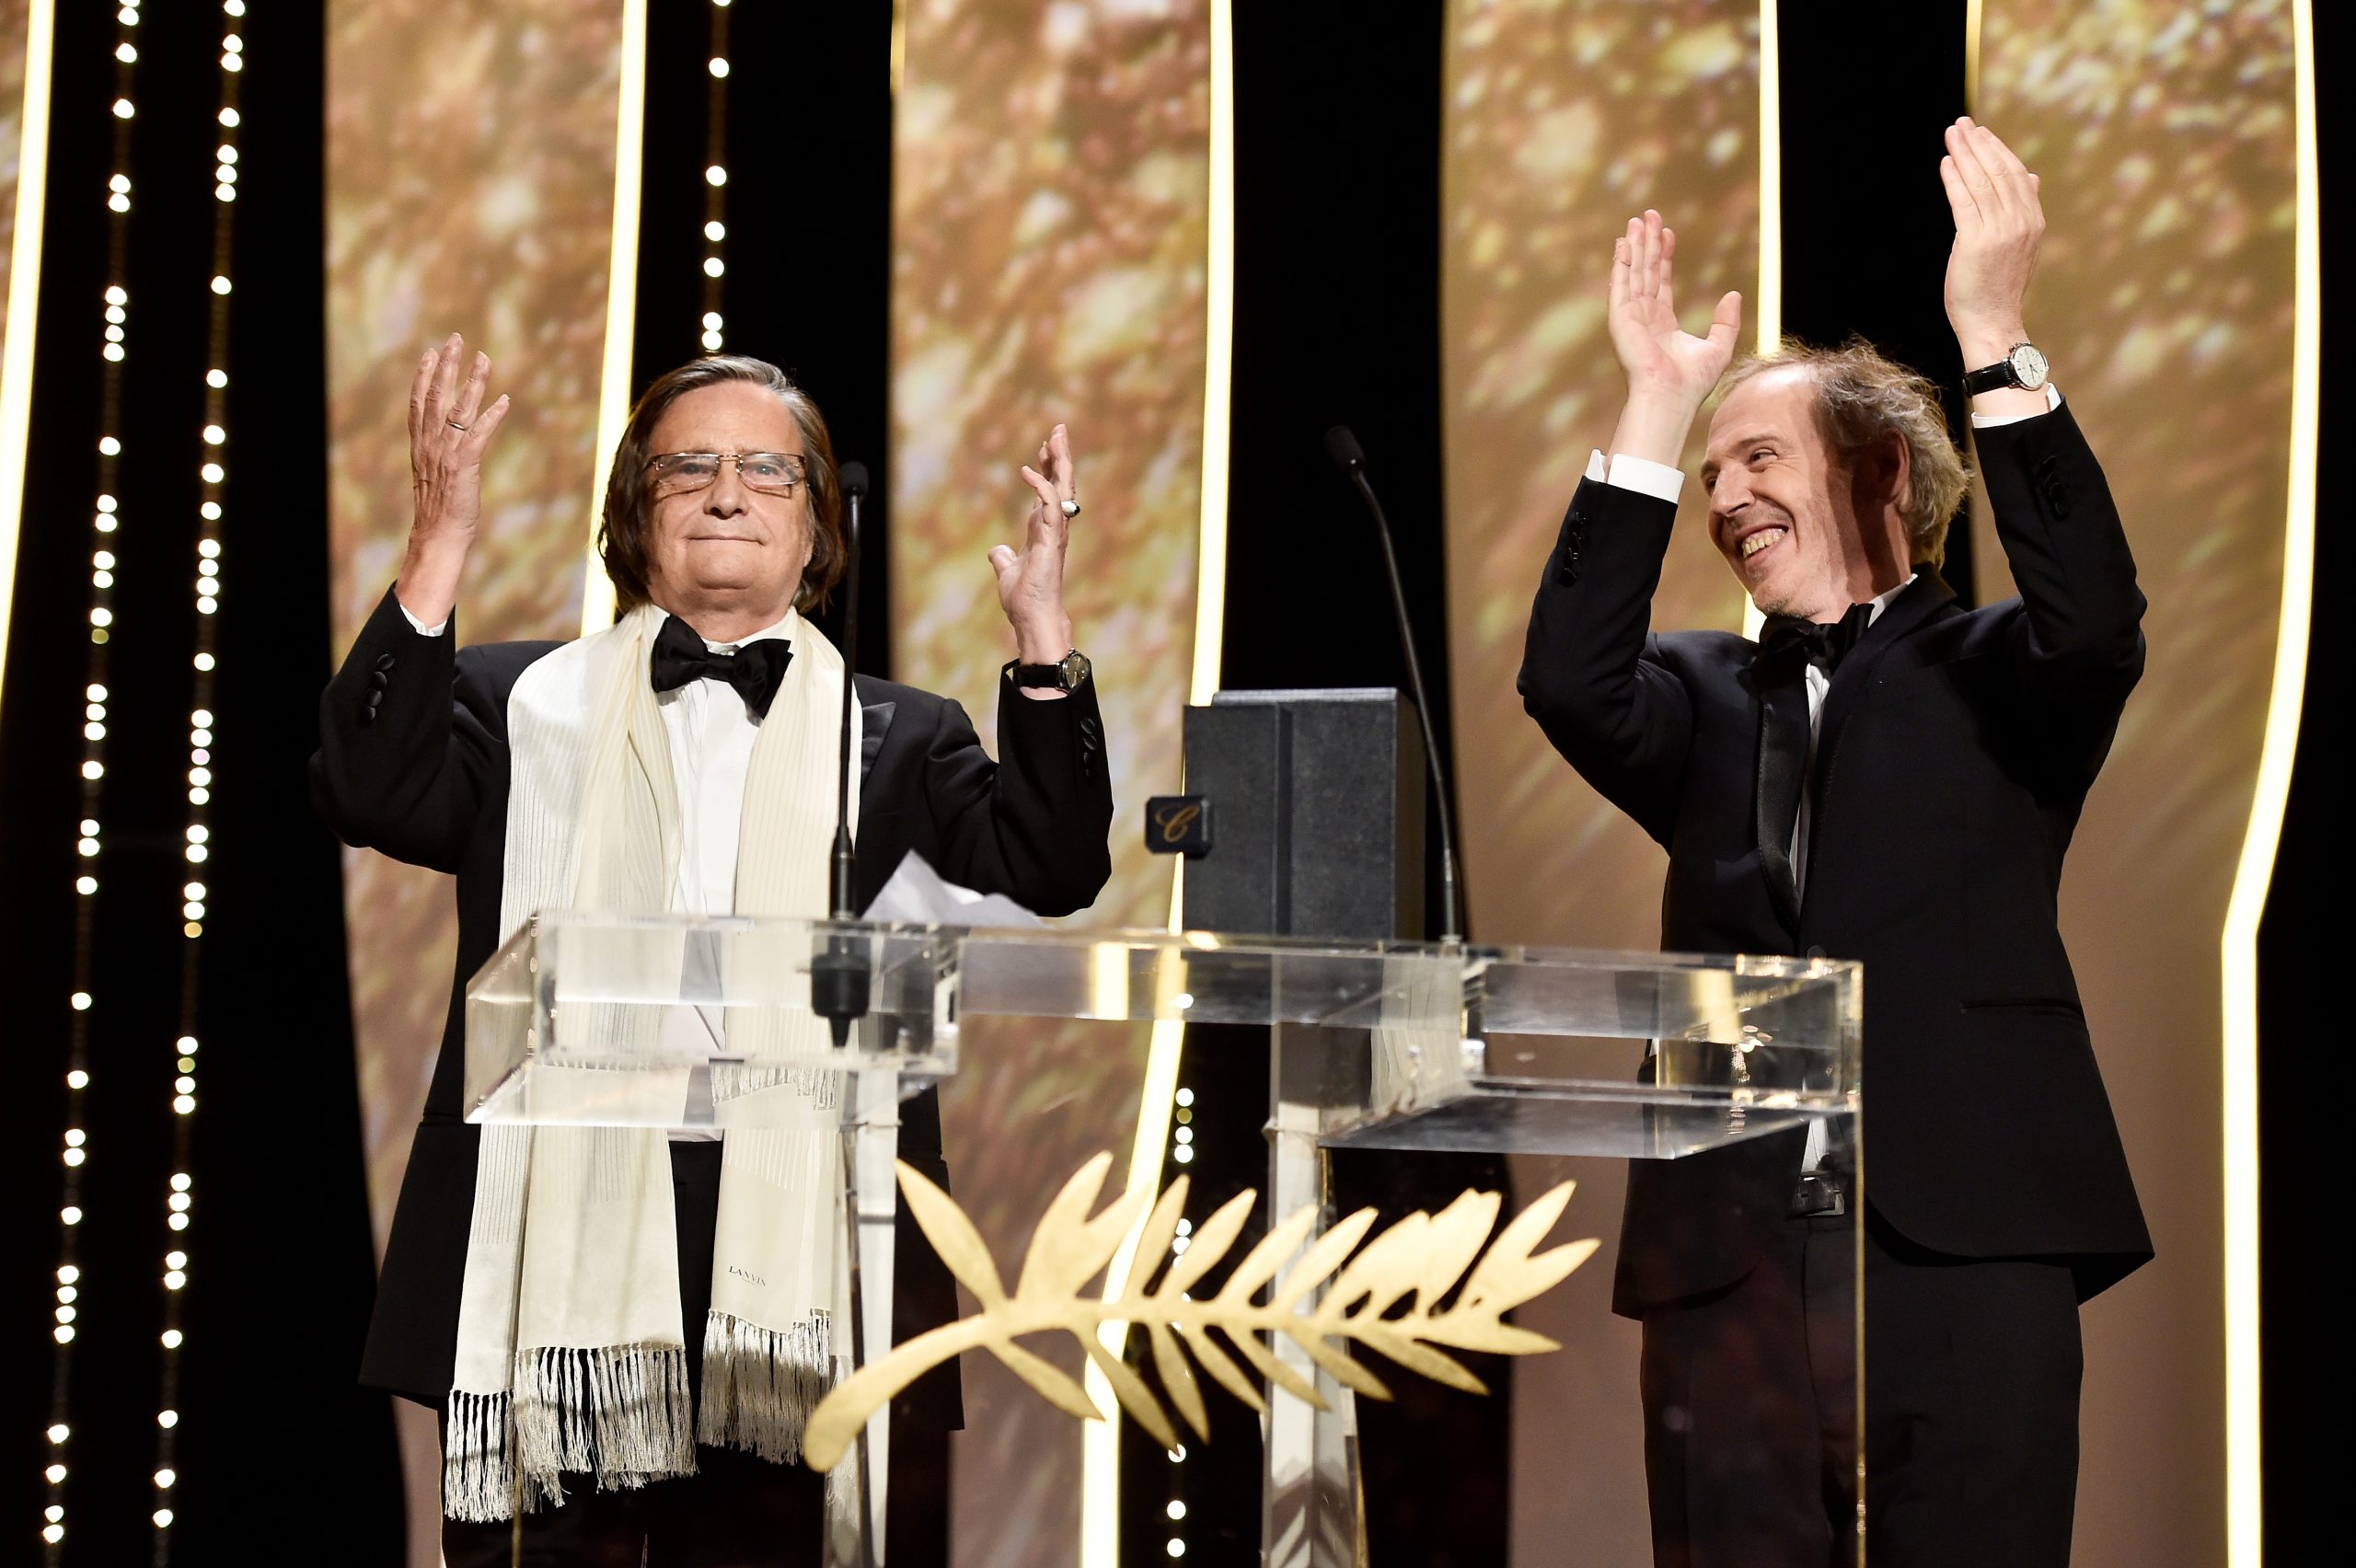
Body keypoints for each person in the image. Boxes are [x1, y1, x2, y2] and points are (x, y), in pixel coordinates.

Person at [313, 343, 1114, 1564]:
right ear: (635, 515)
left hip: (803, 1238)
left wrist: (1045, 639)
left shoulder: (897, 734)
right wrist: (438, 540)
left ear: (815, 533)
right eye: (688, 467)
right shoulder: (517, 702)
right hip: (547, 1233)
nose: (728, 492)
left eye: (765, 472)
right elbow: (366, 788)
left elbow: (1055, 869)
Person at [1519, 119, 2151, 1566]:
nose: (1725, 498)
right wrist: (1653, 414)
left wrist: (1993, 332)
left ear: (1879, 474)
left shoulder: (2002, 673)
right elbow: (1563, 678)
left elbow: (2099, 617)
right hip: (1725, 1253)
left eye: (1756, 458)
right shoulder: (1693, 696)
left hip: (1963, 1239)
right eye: (1709, 477)